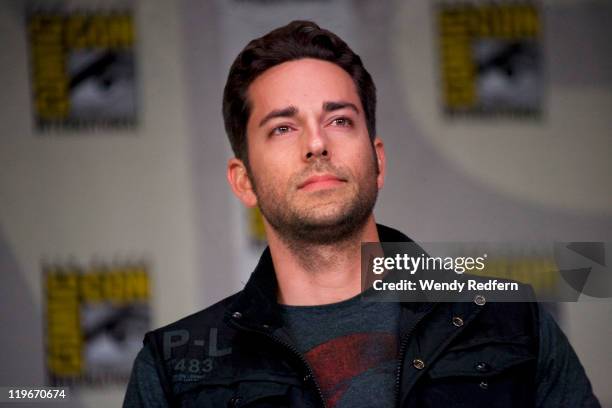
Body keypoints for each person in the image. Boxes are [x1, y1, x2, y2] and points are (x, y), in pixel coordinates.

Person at [123, 20, 599, 407]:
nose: (316, 144)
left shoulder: (511, 322)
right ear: (242, 180)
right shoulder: (174, 370)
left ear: (378, 161)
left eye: (339, 120)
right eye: (283, 127)